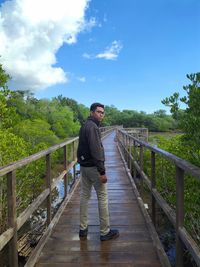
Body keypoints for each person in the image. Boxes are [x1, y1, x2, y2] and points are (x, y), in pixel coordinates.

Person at [77, 102, 119, 241]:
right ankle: (104, 232)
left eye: (102, 112)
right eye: (98, 112)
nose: (101, 114)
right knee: (102, 197)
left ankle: (83, 229)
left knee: (85, 196)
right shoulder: (93, 127)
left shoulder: (84, 126)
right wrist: (102, 171)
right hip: (94, 168)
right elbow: (96, 150)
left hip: (84, 167)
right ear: (91, 112)